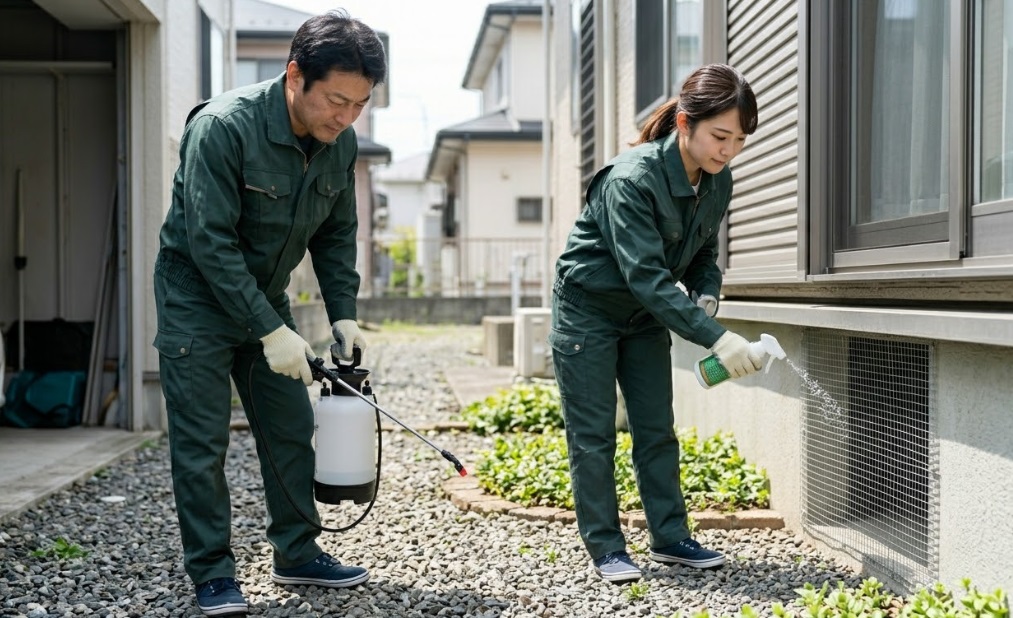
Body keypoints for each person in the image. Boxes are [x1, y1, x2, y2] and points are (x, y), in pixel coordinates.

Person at [152, 10, 383, 616]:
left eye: (359, 105)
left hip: (266, 298)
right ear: (293, 77)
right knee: (201, 445)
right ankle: (212, 572)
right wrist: (269, 332)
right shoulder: (225, 128)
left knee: (288, 429)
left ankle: (296, 552)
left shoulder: (342, 143)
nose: (346, 117)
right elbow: (210, 244)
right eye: (336, 100)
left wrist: (344, 314)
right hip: (195, 296)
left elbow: (336, 236)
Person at [549, 63, 761, 584]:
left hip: (643, 317)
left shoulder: (717, 179)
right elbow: (647, 275)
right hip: (588, 313)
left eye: (738, 140)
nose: (727, 151)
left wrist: (708, 292)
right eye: (719, 136)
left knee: (655, 429)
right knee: (594, 435)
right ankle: (606, 548)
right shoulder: (631, 179)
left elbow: (704, 249)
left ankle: (670, 538)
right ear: (685, 123)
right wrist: (718, 337)